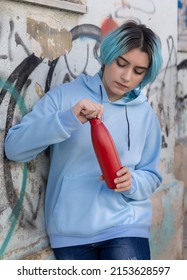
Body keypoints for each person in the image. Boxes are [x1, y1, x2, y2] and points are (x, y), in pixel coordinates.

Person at [4, 20, 163, 260]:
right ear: (108, 55)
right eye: (121, 63)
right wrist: (68, 119)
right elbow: (14, 148)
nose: (127, 76)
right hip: (71, 233)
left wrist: (133, 182)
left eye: (138, 71)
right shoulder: (64, 97)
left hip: (126, 226)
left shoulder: (145, 114)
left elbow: (151, 175)